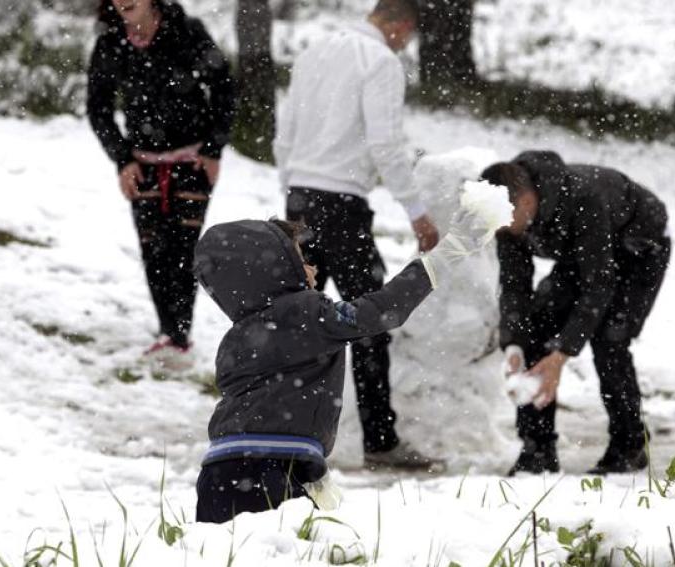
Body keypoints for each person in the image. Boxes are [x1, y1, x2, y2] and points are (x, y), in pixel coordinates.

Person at [192, 216, 490, 522]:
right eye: (301, 258)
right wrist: (447, 254)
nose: (313, 267)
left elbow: (268, 409)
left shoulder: (236, 336)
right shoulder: (305, 314)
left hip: (218, 472)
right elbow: (380, 309)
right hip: (270, 471)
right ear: (273, 270)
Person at [273, 0, 443, 470]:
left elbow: (285, 129)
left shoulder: (315, 51)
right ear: (400, 26)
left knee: (293, 320)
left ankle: (275, 427)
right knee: (370, 319)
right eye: (408, 36)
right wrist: (417, 211)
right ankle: (380, 440)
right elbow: (385, 143)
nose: (405, 44)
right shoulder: (381, 62)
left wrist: (292, 187)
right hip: (343, 205)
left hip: (301, 199)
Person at [481, 151, 671, 475]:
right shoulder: (505, 219)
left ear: (526, 201)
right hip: (585, 256)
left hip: (639, 249)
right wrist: (513, 343)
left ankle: (630, 445)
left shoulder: (583, 198)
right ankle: (537, 450)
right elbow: (514, 286)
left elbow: (598, 286)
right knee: (534, 327)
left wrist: (562, 354)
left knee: (610, 340)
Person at [87, 0, 235, 371]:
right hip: (142, 164)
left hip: (192, 161)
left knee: (183, 249)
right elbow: (98, 107)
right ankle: (169, 333)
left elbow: (224, 88)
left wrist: (214, 148)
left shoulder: (187, 31)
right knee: (153, 248)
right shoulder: (110, 43)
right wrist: (122, 159)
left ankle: (178, 335)